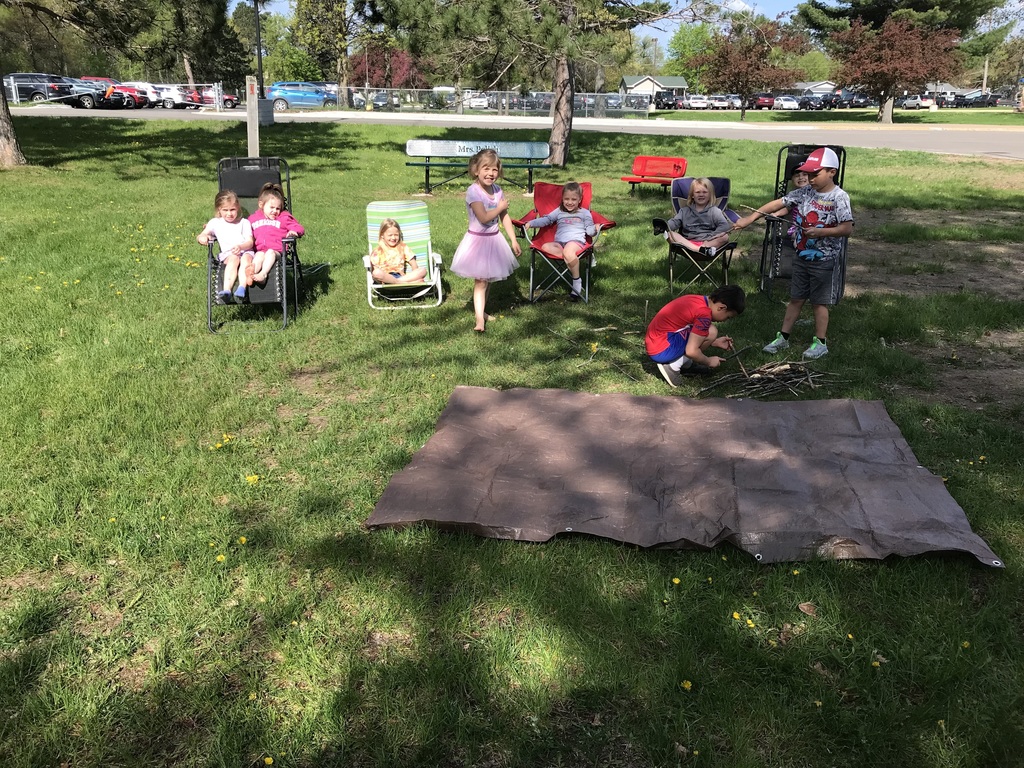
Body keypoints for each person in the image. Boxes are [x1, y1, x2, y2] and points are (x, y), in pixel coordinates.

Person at [733, 147, 853, 360]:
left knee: (819, 302)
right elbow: (778, 203)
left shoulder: (839, 197)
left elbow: (846, 228)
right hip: (801, 256)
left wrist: (821, 232)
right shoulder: (805, 192)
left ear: (832, 172)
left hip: (824, 260)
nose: (810, 178)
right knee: (796, 298)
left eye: (816, 174)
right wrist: (750, 219)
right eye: (808, 174)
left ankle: (820, 342)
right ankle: (783, 338)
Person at [449, 148, 522, 332]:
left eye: (494, 170)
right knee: (481, 280)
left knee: (487, 279)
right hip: (477, 241)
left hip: (494, 240)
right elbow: (483, 217)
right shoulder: (474, 192)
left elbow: (504, 216)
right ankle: (479, 319)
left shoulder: (498, 191)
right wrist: (500, 207)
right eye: (486, 169)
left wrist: (513, 239)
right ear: (476, 170)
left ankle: (482, 310)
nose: (490, 173)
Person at [645, 285, 746, 387]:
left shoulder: (699, 301)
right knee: (711, 331)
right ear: (721, 308)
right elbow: (691, 350)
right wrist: (709, 361)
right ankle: (673, 365)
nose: (725, 320)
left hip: (656, 341)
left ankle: (686, 364)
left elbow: (689, 327)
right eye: (728, 317)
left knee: (708, 331)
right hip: (661, 349)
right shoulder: (704, 316)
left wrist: (713, 342)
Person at [523, 181, 596, 301]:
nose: (570, 202)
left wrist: (596, 228)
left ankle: (576, 281)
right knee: (546, 247)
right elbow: (546, 220)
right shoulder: (559, 211)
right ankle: (569, 258)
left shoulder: (584, 213)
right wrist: (531, 223)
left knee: (569, 250)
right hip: (560, 243)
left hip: (575, 242)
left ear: (579, 199)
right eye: (566, 199)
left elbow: (589, 230)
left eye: (574, 199)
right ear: (562, 199)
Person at [196, 190, 255, 304]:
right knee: (234, 258)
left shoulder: (244, 222)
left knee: (245, 259)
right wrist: (202, 237)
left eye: (232, 209)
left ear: (238, 207)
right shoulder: (215, 222)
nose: (229, 213)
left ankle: (242, 287)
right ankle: (227, 290)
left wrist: (241, 246)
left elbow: (250, 242)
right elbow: (203, 233)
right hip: (229, 254)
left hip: (246, 251)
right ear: (219, 209)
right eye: (225, 210)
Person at [249, 182, 305, 288]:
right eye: (272, 207)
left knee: (270, 252)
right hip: (259, 251)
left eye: (278, 208)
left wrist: (294, 232)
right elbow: (244, 231)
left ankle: (263, 274)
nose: (275, 211)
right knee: (259, 255)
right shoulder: (253, 219)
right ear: (261, 205)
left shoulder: (284, 217)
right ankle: (251, 274)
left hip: (278, 252)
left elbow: (298, 227)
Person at [658, 177, 732, 256]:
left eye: (704, 192)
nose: (701, 195)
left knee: (725, 237)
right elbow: (675, 222)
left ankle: (703, 248)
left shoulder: (714, 211)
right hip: (688, 243)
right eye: (697, 192)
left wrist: (711, 237)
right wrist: (664, 226)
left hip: (708, 242)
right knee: (669, 234)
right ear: (692, 195)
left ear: (710, 195)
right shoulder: (685, 211)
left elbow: (724, 225)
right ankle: (699, 249)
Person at [369, 218, 428, 284]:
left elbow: (414, 264)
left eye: (396, 235)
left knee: (423, 270)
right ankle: (406, 283)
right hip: (386, 278)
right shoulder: (378, 251)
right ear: (382, 235)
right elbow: (374, 270)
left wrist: (415, 275)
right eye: (390, 235)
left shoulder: (403, 247)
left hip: (401, 276)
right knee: (376, 273)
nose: (393, 238)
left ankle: (398, 282)